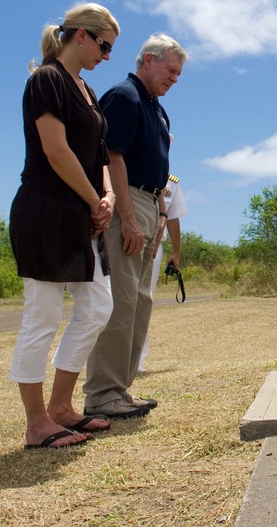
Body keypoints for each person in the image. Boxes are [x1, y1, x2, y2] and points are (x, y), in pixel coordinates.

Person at [9, 3, 120, 449]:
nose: (107, 55)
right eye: (104, 45)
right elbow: (56, 152)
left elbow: (98, 156)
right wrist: (97, 201)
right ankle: (37, 423)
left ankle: (60, 407)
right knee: (43, 314)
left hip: (84, 217)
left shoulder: (88, 92)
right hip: (46, 213)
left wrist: (108, 195)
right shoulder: (46, 80)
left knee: (96, 307)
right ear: (80, 35)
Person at [83, 34, 187, 419]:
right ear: (148, 60)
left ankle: (119, 389)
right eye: (171, 70)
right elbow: (111, 156)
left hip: (149, 203)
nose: (175, 78)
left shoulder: (156, 109)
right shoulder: (124, 96)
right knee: (121, 301)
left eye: (179, 73)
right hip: (126, 200)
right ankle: (101, 392)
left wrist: (159, 214)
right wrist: (127, 217)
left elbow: (158, 168)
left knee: (140, 301)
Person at [139, 171, 188, 371]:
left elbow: (173, 218)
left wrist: (176, 253)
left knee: (144, 298)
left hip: (154, 244)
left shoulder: (171, 183)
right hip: (122, 236)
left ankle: (138, 359)